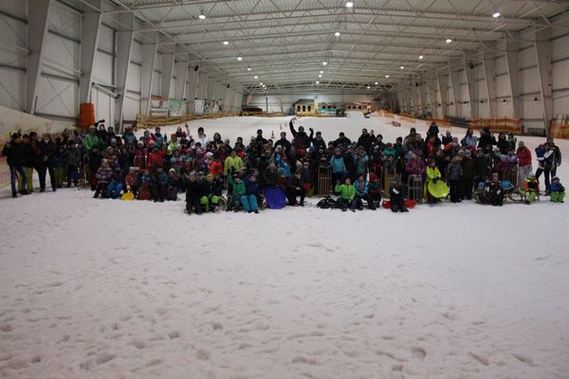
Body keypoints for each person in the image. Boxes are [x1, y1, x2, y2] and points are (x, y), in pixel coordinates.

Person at [2, 133, 28, 198]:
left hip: (20, 164)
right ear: (14, 139)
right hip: (13, 164)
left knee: (25, 176)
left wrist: (23, 161)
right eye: (17, 138)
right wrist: (6, 148)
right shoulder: (9, 145)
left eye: (19, 138)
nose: (19, 139)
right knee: (13, 179)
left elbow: (24, 153)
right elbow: (4, 153)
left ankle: (23, 189)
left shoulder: (21, 144)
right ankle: (14, 192)